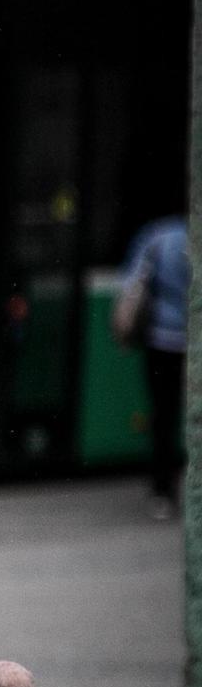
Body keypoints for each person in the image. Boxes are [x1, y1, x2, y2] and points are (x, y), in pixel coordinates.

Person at [116, 214, 189, 519]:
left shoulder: (158, 236)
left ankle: (163, 491)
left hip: (162, 340)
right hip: (192, 340)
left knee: (163, 416)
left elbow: (130, 281)